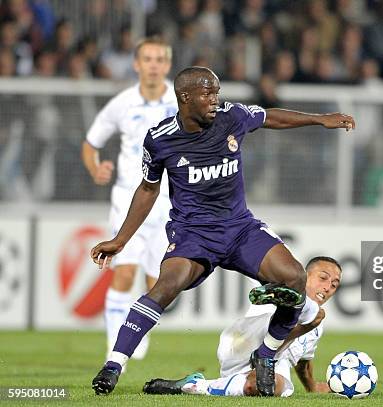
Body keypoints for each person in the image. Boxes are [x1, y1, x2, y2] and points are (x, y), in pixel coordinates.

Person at [90, 66, 355, 396]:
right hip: (193, 235)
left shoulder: (232, 117)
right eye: (208, 94)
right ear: (185, 98)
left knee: (295, 278)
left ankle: (267, 356)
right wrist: (120, 239)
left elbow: (270, 117)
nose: (216, 100)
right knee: (165, 287)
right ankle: (114, 364)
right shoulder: (160, 140)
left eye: (217, 92)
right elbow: (148, 189)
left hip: (240, 228)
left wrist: (320, 119)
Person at [81, 37, 177, 364]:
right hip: (128, 198)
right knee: (123, 273)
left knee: (158, 281)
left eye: (159, 59)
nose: (153, 65)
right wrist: (95, 168)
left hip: (167, 201)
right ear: (136, 64)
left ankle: (136, 326)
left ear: (167, 65)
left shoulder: (181, 103)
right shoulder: (122, 103)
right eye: (147, 59)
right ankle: (114, 346)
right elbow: (90, 143)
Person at [142, 256, 342, 397]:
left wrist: (312, 387)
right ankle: (292, 300)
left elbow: (303, 362)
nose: (327, 287)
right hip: (243, 343)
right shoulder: (310, 310)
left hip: (273, 358)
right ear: (305, 275)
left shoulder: (318, 327)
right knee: (310, 313)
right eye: (323, 278)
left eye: (334, 284)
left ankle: (197, 385)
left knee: (266, 390)